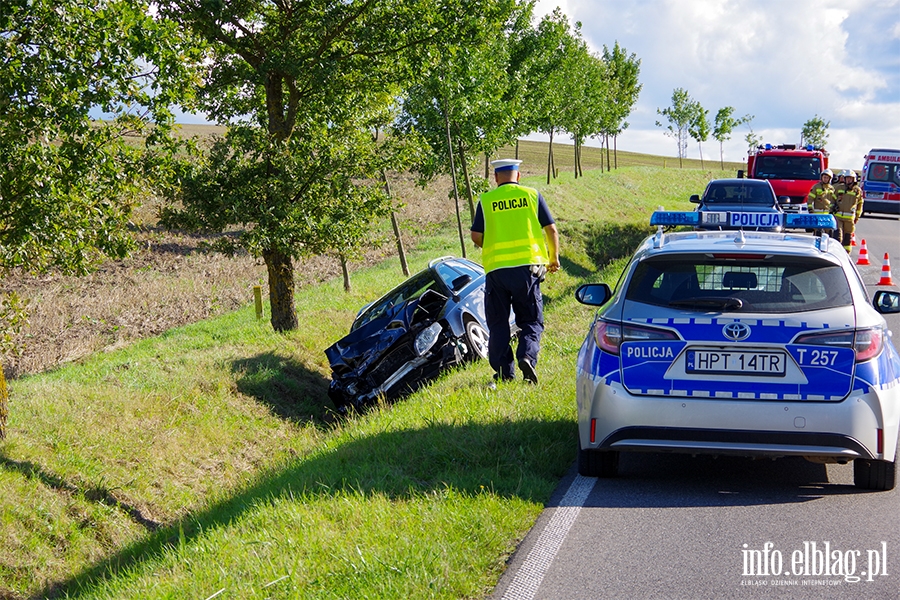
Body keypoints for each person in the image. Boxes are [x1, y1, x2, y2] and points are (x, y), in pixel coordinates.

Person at [470, 159, 560, 385]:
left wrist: (494, 245)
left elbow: (476, 236)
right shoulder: (532, 195)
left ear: (496, 177)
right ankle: (527, 357)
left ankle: (504, 374)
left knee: (499, 323)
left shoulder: (486, 200)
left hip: (497, 271)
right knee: (530, 320)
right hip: (527, 270)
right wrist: (553, 258)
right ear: (518, 176)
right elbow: (551, 228)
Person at [832, 170, 863, 251]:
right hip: (838, 217)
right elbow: (832, 199)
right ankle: (836, 252)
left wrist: (857, 216)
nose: (848, 180)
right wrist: (832, 208)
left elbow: (860, 204)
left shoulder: (857, 191)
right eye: (847, 178)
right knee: (838, 236)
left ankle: (846, 255)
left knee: (847, 238)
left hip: (849, 219)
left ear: (854, 180)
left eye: (850, 179)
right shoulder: (839, 188)